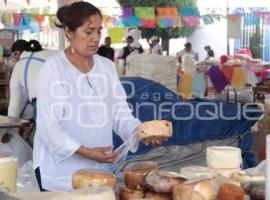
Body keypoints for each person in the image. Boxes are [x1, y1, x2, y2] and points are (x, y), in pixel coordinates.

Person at [33, 2, 161, 192]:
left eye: (99, 31)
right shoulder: (54, 69)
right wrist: (87, 152)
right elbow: (49, 126)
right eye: (88, 32)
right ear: (69, 32)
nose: (95, 38)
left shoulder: (106, 67)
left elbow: (120, 113)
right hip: (60, 172)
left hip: (98, 170)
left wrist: (140, 132)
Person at [8, 40, 57, 120]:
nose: (13, 59)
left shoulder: (19, 65)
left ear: (17, 53)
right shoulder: (51, 53)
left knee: (46, 131)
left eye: (13, 56)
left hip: (44, 104)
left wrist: (11, 128)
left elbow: (14, 105)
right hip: (71, 96)